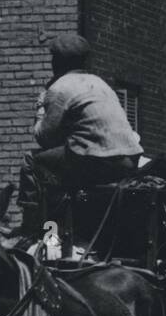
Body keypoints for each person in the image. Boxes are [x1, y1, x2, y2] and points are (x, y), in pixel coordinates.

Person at [16, 34, 143, 240]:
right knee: (61, 161)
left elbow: (44, 138)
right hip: (129, 160)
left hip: (98, 161)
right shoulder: (100, 83)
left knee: (32, 161)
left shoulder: (60, 88)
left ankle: (30, 230)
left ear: (57, 62)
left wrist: (40, 107)